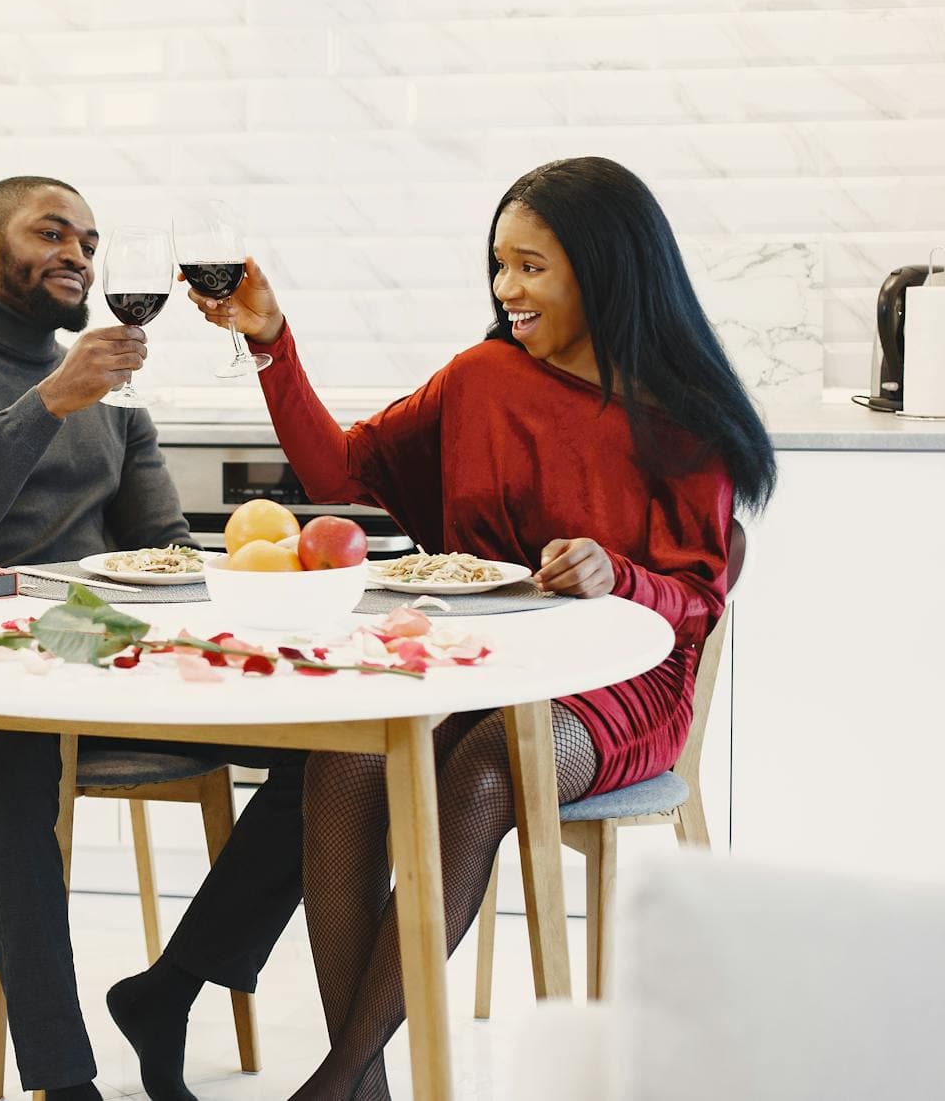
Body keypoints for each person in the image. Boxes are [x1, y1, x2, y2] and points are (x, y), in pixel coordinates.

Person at [164, 156, 776, 1101]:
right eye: (500, 265)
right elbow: (338, 470)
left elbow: (699, 594)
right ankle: (360, 1086)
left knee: (491, 762)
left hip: (622, 681)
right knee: (347, 754)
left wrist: (622, 574)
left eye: (532, 266)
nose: (507, 289)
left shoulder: (681, 416)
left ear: (604, 269)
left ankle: (333, 1081)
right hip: (478, 658)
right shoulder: (484, 377)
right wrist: (271, 341)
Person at [0, 176, 306, 1101]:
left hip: (100, 661)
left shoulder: (116, 396)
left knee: (332, 748)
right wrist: (49, 402)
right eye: (52, 233)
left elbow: (167, 551)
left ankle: (169, 987)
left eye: (90, 241)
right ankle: (63, 1083)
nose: (78, 253)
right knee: (18, 772)